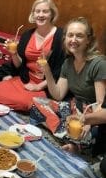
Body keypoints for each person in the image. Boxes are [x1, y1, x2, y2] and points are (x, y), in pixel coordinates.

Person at [30, 17, 106, 158]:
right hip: (74, 108)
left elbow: (102, 105)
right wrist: (46, 70)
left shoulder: (98, 64)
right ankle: (74, 138)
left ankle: (77, 143)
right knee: (36, 104)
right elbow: (58, 94)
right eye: (70, 35)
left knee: (96, 133)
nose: (73, 39)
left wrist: (89, 122)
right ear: (65, 38)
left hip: (94, 113)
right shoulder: (68, 63)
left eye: (79, 36)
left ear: (88, 40)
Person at [0, 0, 65, 111]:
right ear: (33, 14)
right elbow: (19, 66)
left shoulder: (61, 36)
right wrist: (14, 54)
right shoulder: (27, 35)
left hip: (46, 85)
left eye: (45, 11)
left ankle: (36, 105)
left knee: (24, 102)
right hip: (26, 79)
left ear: (52, 14)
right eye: (37, 11)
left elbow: (60, 71)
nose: (40, 15)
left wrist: (38, 87)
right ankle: (33, 105)